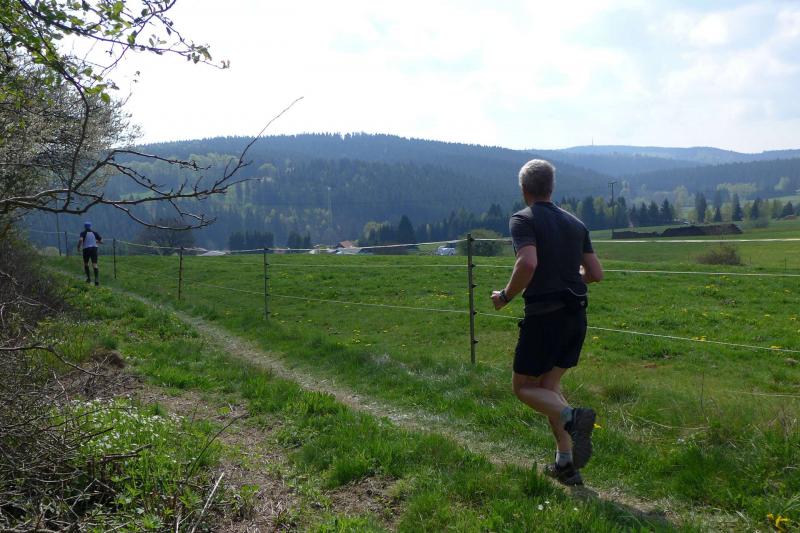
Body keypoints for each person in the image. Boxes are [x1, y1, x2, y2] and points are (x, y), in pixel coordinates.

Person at [491, 159, 603, 486]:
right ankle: (565, 464)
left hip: (545, 317)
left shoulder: (523, 219)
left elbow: (527, 263)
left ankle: (572, 417)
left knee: (524, 388)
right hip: (576, 316)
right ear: (552, 188)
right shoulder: (576, 224)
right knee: (548, 388)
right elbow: (595, 273)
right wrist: (569, 275)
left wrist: (505, 296)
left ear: (523, 189)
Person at [77, 221, 102, 285]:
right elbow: (101, 241)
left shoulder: (83, 233)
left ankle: (88, 279)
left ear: (84, 227)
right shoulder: (95, 233)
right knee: (95, 264)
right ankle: (96, 279)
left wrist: (78, 247)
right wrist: (95, 241)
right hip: (94, 248)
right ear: (90, 226)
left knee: (86, 263)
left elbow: (80, 240)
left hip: (86, 249)